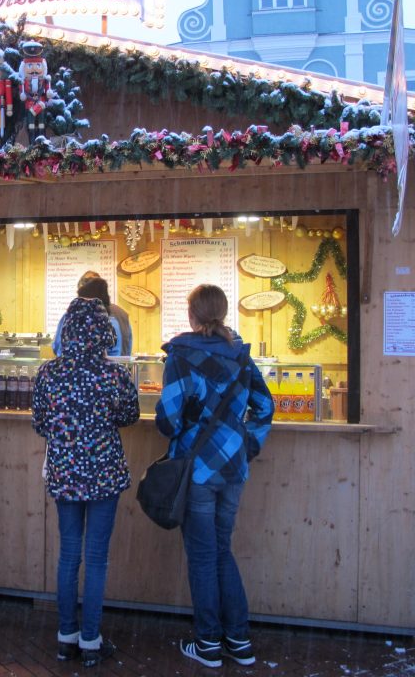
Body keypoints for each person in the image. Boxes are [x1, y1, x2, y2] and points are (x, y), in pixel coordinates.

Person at [153, 284, 274, 669]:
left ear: (192, 315)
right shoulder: (240, 355)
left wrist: (185, 426)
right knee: (222, 551)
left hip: (199, 470)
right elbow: (265, 405)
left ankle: (208, 643)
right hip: (234, 468)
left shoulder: (181, 356)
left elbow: (168, 420)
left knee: (203, 557)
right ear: (221, 313)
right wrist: (248, 443)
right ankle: (238, 640)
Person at [32, 296, 139, 667]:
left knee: (68, 556)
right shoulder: (114, 375)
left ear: (68, 331)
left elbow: (40, 424)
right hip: (104, 476)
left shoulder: (49, 373)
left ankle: (66, 638)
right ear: (103, 332)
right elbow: (129, 416)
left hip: (65, 476)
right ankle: (91, 642)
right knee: (95, 560)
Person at [51, 274, 126, 358]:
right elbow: (115, 353)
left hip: (71, 367)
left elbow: (57, 347)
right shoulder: (112, 320)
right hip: (102, 368)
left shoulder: (68, 317)